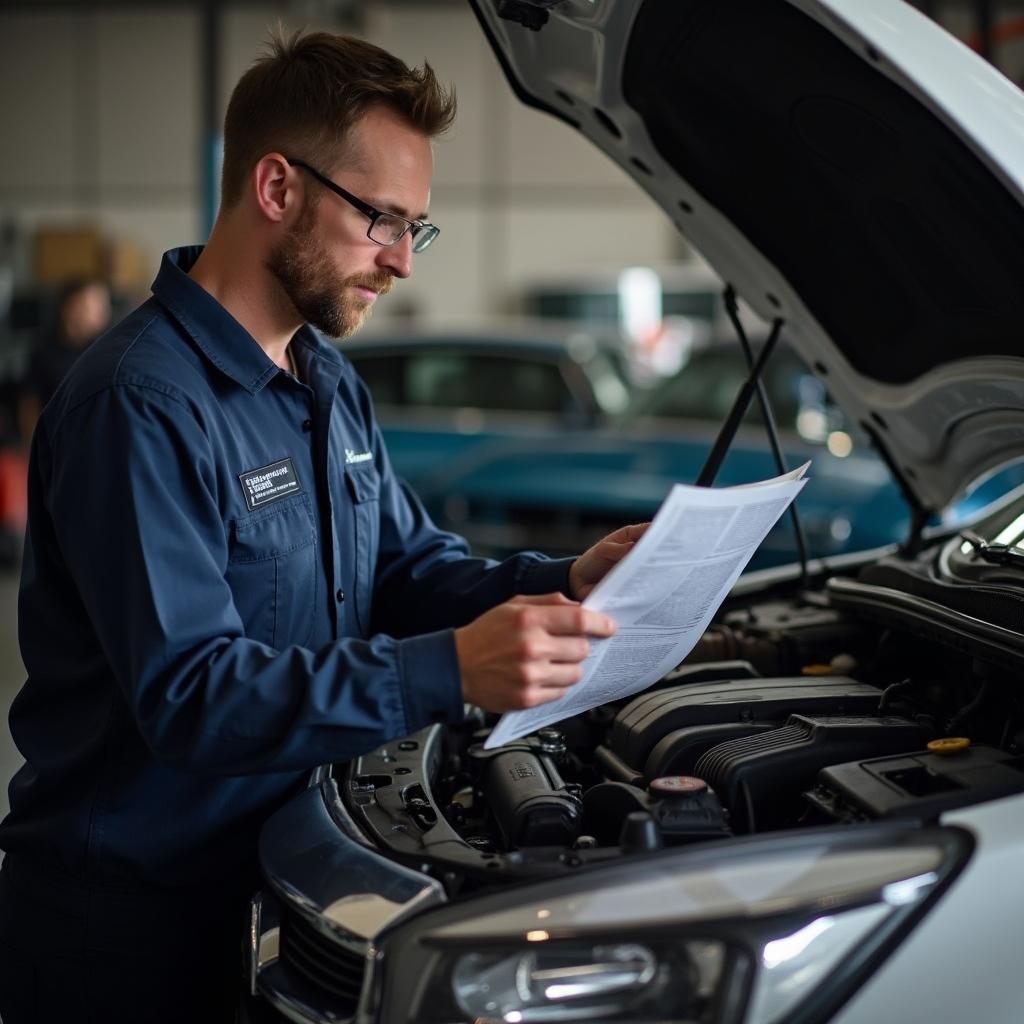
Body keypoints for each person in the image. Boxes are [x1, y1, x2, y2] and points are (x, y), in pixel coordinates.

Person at [0, 29, 646, 1024]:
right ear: (275, 188)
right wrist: (447, 670)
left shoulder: (326, 380)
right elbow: (190, 693)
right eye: (382, 219)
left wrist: (564, 580)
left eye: (415, 230)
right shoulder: (141, 404)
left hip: (284, 883)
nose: (399, 261)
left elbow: (406, 568)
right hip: (130, 931)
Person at [17, 276, 112, 446]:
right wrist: (32, 447)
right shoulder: (44, 350)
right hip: (55, 443)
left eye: (104, 305)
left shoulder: (105, 350)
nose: (104, 312)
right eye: (95, 304)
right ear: (71, 306)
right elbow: (30, 403)